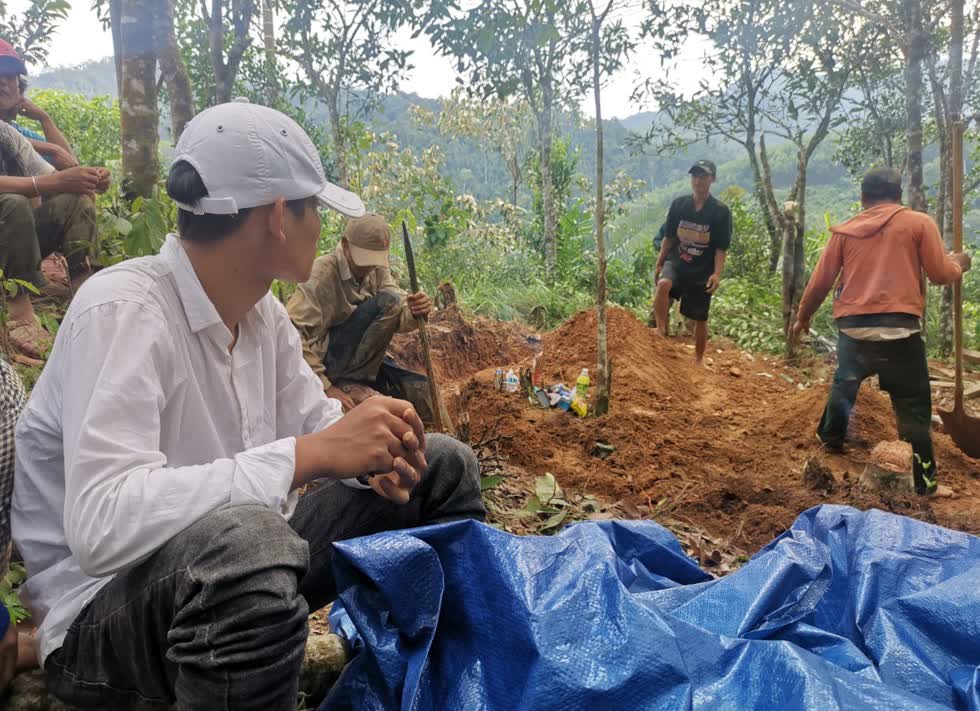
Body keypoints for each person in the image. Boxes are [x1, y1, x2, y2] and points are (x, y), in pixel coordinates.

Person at [11, 100, 485, 709]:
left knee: (442, 468)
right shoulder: (123, 312)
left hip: (236, 568)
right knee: (251, 543)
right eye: (315, 209)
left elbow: (318, 425)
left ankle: (452, 687)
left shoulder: (262, 316)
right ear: (281, 218)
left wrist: (376, 452)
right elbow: (101, 527)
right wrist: (304, 457)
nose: (321, 227)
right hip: (104, 618)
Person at [791, 167, 971, 496]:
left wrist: (802, 318)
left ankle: (830, 438)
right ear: (899, 196)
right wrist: (959, 262)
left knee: (844, 382)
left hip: (854, 331)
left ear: (863, 199)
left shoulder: (845, 231)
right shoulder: (918, 223)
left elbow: (820, 281)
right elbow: (941, 273)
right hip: (900, 334)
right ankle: (925, 482)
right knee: (914, 405)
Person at [287, 213, 432, 412]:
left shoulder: (376, 270)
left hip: (362, 366)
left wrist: (416, 310)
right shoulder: (321, 274)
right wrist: (325, 386)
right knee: (388, 300)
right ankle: (349, 383)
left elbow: (399, 312)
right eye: (364, 258)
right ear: (345, 245)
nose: (369, 266)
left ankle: (361, 382)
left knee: (420, 390)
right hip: (325, 366)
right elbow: (291, 334)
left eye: (374, 260)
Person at [0, 118, 110, 357]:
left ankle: (85, 292)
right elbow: (46, 181)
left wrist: (86, 180)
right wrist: (50, 181)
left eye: (12, 81)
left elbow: (50, 177)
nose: (7, 88)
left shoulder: (6, 134)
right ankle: (19, 314)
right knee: (12, 202)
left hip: (15, 247)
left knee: (74, 202)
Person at [653, 159, 731, 364]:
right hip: (677, 261)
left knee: (700, 318)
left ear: (712, 179)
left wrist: (716, 274)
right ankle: (661, 330)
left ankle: (698, 360)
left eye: (703, 176)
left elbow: (721, 248)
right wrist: (659, 262)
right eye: (695, 176)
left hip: (702, 270)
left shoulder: (721, 212)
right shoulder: (679, 205)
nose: (698, 180)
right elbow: (669, 237)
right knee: (663, 284)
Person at [0, 40, 78, 170]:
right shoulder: (35, 144)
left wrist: (44, 119)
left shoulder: (24, 134)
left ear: (19, 87)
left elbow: (70, 168)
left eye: (9, 75)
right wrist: (52, 149)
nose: (2, 81)